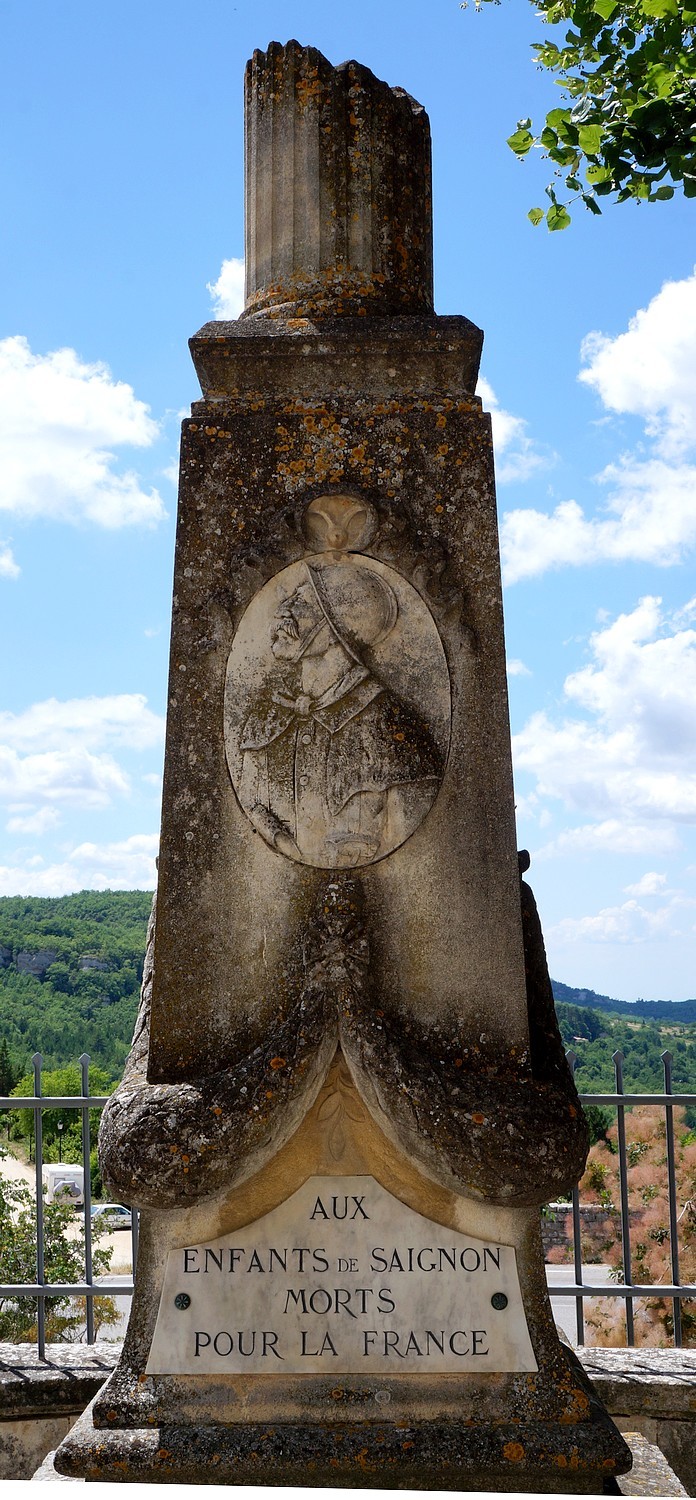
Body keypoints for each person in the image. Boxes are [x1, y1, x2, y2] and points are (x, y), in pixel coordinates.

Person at [237, 561, 443, 868]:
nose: (283, 610)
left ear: (337, 628)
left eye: (302, 602)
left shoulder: (393, 728)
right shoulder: (266, 718)